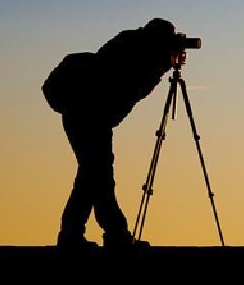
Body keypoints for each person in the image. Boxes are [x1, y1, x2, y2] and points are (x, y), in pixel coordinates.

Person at [42, 18, 177, 252]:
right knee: (97, 174)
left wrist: (161, 65)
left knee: (93, 174)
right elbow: (128, 87)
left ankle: (85, 234)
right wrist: (161, 66)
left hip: (87, 114)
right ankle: (109, 235)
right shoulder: (135, 52)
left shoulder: (131, 44)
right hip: (87, 113)